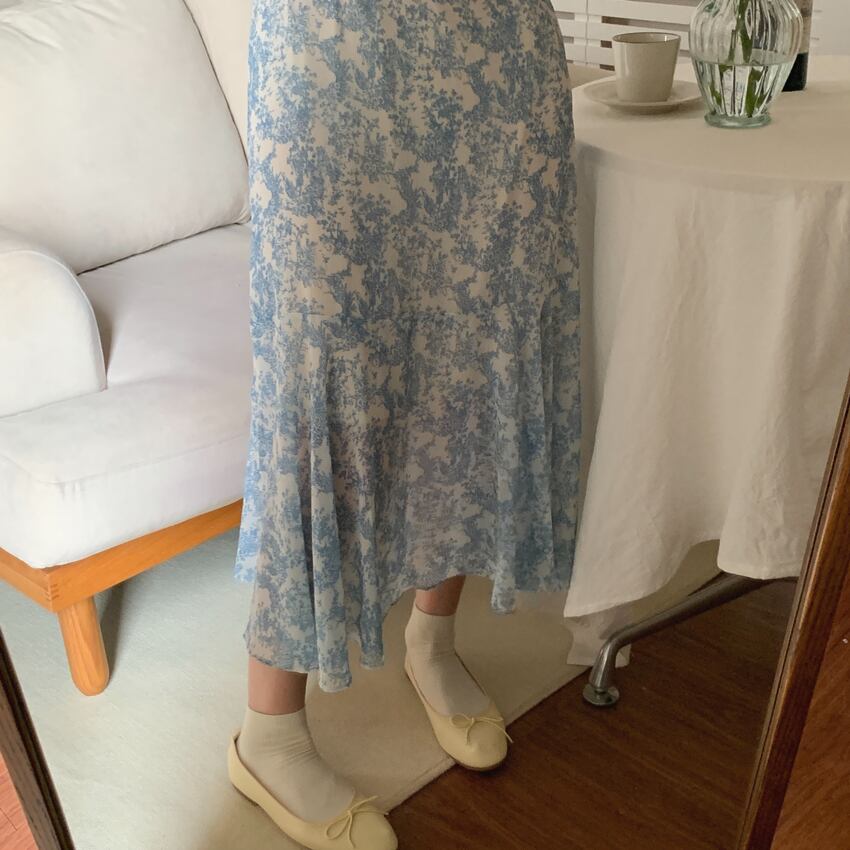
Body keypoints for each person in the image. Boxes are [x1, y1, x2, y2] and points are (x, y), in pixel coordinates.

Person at [226, 2, 580, 847]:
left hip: (495, 44)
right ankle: (269, 733)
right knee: (316, 371)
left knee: (470, 351)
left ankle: (434, 635)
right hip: (329, 40)